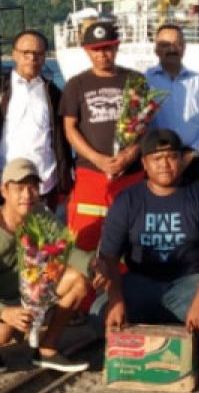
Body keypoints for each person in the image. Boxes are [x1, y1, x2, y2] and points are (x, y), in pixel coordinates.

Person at [98, 129, 199, 343]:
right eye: (156, 159)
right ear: (144, 164)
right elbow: (108, 257)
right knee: (98, 313)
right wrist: (116, 299)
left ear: (182, 160)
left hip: (190, 282)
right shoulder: (127, 199)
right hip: (141, 282)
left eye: (171, 157)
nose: (164, 165)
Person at [0, 158, 91, 374]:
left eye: (32, 187)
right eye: (19, 188)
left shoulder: (40, 214)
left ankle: (47, 348)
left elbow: (66, 251)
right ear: (4, 190)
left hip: (31, 294)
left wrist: (93, 265)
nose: (27, 195)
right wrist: (4, 312)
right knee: (3, 331)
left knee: (78, 279)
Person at [59, 18, 145, 254]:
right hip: (91, 173)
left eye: (107, 48)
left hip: (131, 173)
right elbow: (70, 128)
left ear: (116, 47)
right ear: (87, 52)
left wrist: (130, 154)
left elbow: (144, 125)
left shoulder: (136, 81)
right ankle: (85, 290)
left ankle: (127, 289)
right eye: (96, 50)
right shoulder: (76, 85)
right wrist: (97, 158)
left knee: (132, 240)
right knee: (83, 241)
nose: (102, 54)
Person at [0, 30, 72, 210]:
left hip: (44, 185)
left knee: (43, 237)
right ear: (14, 54)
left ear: (45, 57)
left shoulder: (53, 94)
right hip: (5, 183)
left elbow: (62, 138)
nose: (32, 58)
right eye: (26, 53)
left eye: (38, 54)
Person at [144, 24, 199, 183]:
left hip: (192, 161)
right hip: (157, 161)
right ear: (156, 49)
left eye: (176, 44)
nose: (171, 49)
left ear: (184, 47)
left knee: (196, 206)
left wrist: (192, 153)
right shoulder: (144, 81)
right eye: (164, 45)